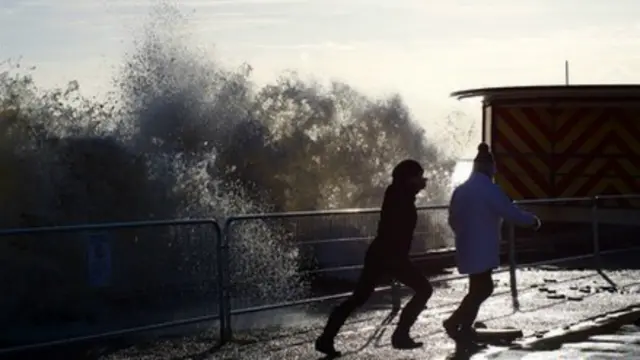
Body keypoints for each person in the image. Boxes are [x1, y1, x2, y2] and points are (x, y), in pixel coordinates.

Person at [315, 159, 433, 357]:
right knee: (424, 289)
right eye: (419, 176)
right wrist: (416, 186)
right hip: (391, 255)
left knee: (358, 298)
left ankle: (326, 338)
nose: (423, 180)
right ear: (409, 178)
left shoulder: (396, 191)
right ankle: (401, 336)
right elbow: (401, 213)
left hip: (381, 254)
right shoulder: (399, 194)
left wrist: (416, 186)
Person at [443, 143, 541, 353]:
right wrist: (532, 221)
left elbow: (452, 219)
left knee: (477, 288)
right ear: (489, 168)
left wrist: (462, 234)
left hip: (466, 244)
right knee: (484, 288)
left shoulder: (460, 190)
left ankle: (465, 328)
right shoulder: (490, 190)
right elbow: (510, 212)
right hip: (483, 247)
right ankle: (454, 322)